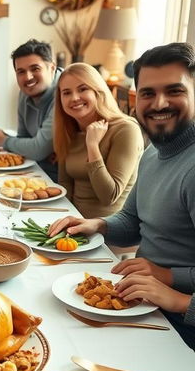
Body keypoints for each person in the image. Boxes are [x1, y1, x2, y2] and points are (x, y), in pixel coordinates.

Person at [48, 42, 195, 348]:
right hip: (140, 299)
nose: (159, 103)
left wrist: (173, 287)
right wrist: (98, 224)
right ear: (134, 97)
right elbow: (131, 218)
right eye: (148, 93)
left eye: (174, 91)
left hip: (181, 324)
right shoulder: (155, 153)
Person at [53, 63, 144, 218]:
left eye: (83, 89)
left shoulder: (126, 130)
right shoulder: (69, 131)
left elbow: (109, 196)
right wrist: (60, 218)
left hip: (107, 231)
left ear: (98, 91)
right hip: (73, 223)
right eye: (67, 92)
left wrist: (92, 146)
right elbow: (65, 184)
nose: (74, 98)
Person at [0, 39, 61, 181]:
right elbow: (24, 138)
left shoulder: (65, 92)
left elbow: (38, 149)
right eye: (21, 72)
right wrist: (34, 148)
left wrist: (2, 140)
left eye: (35, 69)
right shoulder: (25, 93)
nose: (28, 77)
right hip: (37, 169)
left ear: (52, 68)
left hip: (60, 177)